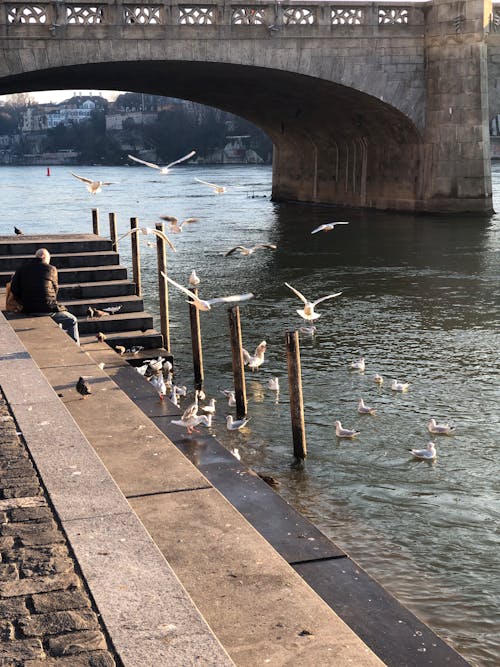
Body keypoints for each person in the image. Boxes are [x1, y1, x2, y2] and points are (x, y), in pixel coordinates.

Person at [10, 248, 80, 344]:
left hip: (28, 308)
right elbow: (55, 290)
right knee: (72, 320)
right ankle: (75, 346)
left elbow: (14, 289)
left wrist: (23, 300)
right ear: (45, 258)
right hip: (47, 308)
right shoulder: (52, 269)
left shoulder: (21, 269)